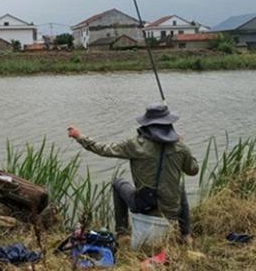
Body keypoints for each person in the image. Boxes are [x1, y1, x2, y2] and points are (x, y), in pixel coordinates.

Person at [67, 102, 198, 242]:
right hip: (172, 211)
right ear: (169, 125)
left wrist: (79, 136)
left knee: (118, 183)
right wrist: (182, 145)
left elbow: (103, 149)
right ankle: (186, 234)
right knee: (179, 185)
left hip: (145, 206)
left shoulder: (136, 145)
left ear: (147, 125)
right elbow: (193, 170)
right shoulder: (180, 148)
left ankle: (122, 233)